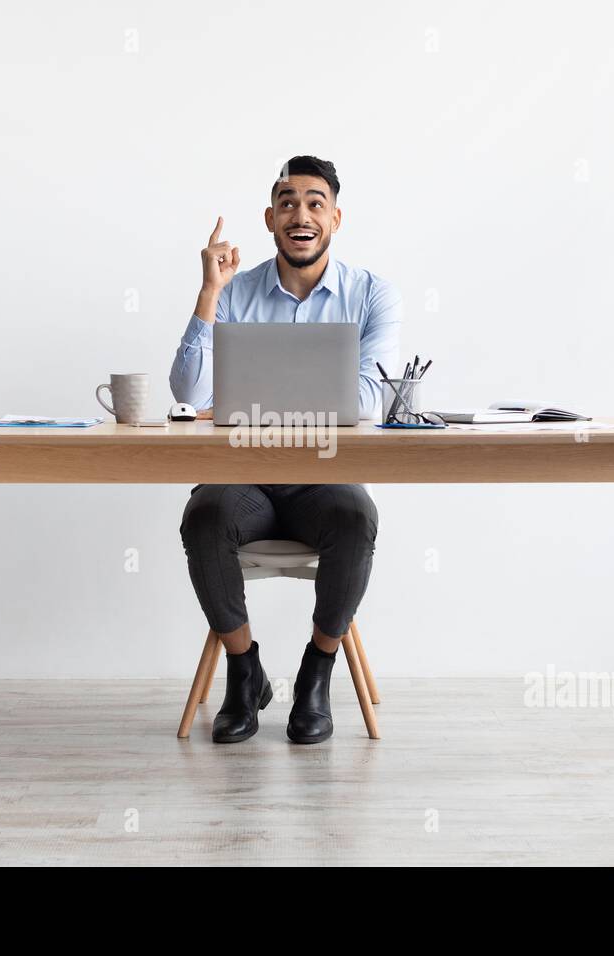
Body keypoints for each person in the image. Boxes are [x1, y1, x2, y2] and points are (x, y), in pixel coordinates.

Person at [169, 155, 401, 744]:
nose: (301, 213)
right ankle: (245, 671)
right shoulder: (234, 293)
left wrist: (248, 404)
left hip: (324, 478)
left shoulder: (371, 294)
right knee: (205, 516)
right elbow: (189, 392)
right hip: (244, 476)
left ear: (336, 218)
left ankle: (317, 671)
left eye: (315, 202)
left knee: (355, 518)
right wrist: (209, 291)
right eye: (288, 202)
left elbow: (371, 400)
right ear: (270, 218)